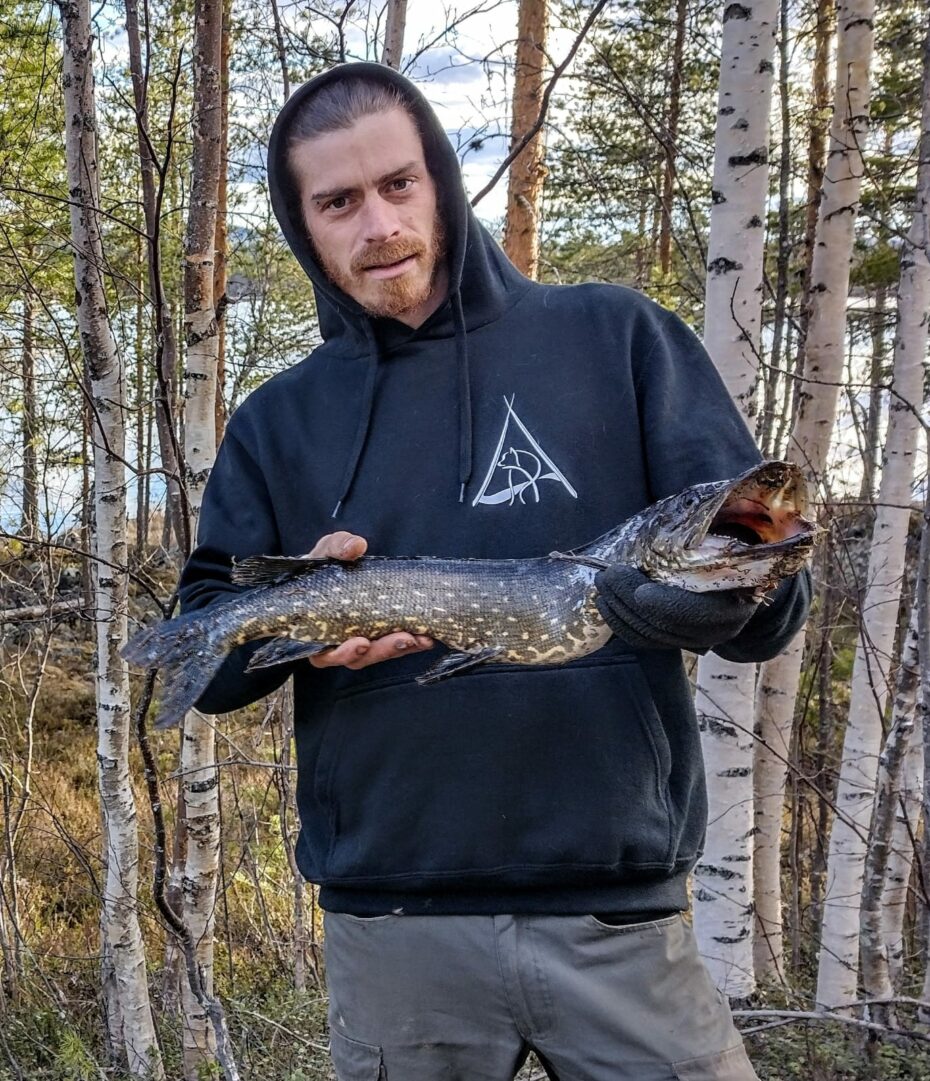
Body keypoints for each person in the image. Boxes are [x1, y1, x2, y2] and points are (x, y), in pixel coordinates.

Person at [179, 62, 811, 1081]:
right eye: (338, 201)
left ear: (438, 179)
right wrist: (295, 619)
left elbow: (771, 600)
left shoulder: (618, 338)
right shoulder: (277, 423)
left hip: (620, 916)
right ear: (304, 225)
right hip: (394, 929)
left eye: (398, 184)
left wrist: (699, 604)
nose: (377, 222)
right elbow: (206, 655)